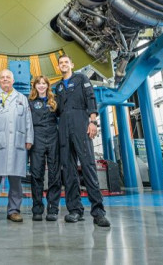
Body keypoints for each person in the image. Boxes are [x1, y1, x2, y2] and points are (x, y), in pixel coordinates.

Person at [54, 54, 110, 227]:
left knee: (88, 166)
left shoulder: (82, 78)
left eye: (66, 62)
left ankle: (98, 212)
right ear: (58, 67)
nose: (63, 65)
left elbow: (90, 98)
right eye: (60, 63)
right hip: (63, 127)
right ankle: (75, 210)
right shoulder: (58, 87)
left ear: (71, 63)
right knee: (69, 170)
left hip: (81, 123)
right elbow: (57, 111)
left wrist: (92, 121)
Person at [0, 69, 33, 223]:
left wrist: (29, 138)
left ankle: (14, 210)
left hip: (17, 142)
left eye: (8, 78)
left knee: (16, 180)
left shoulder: (22, 99)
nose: (5, 80)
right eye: (2, 77)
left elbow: (28, 120)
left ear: (13, 81)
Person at [28, 75, 61, 221]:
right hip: (37, 139)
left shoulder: (54, 102)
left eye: (44, 83)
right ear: (34, 86)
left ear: (48, 86)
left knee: (54, 174)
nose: (41, 86)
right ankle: (37, 208)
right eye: (38, 84)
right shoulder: (30, 102)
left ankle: (53, 208)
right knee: (36, 174)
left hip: (53, 137)